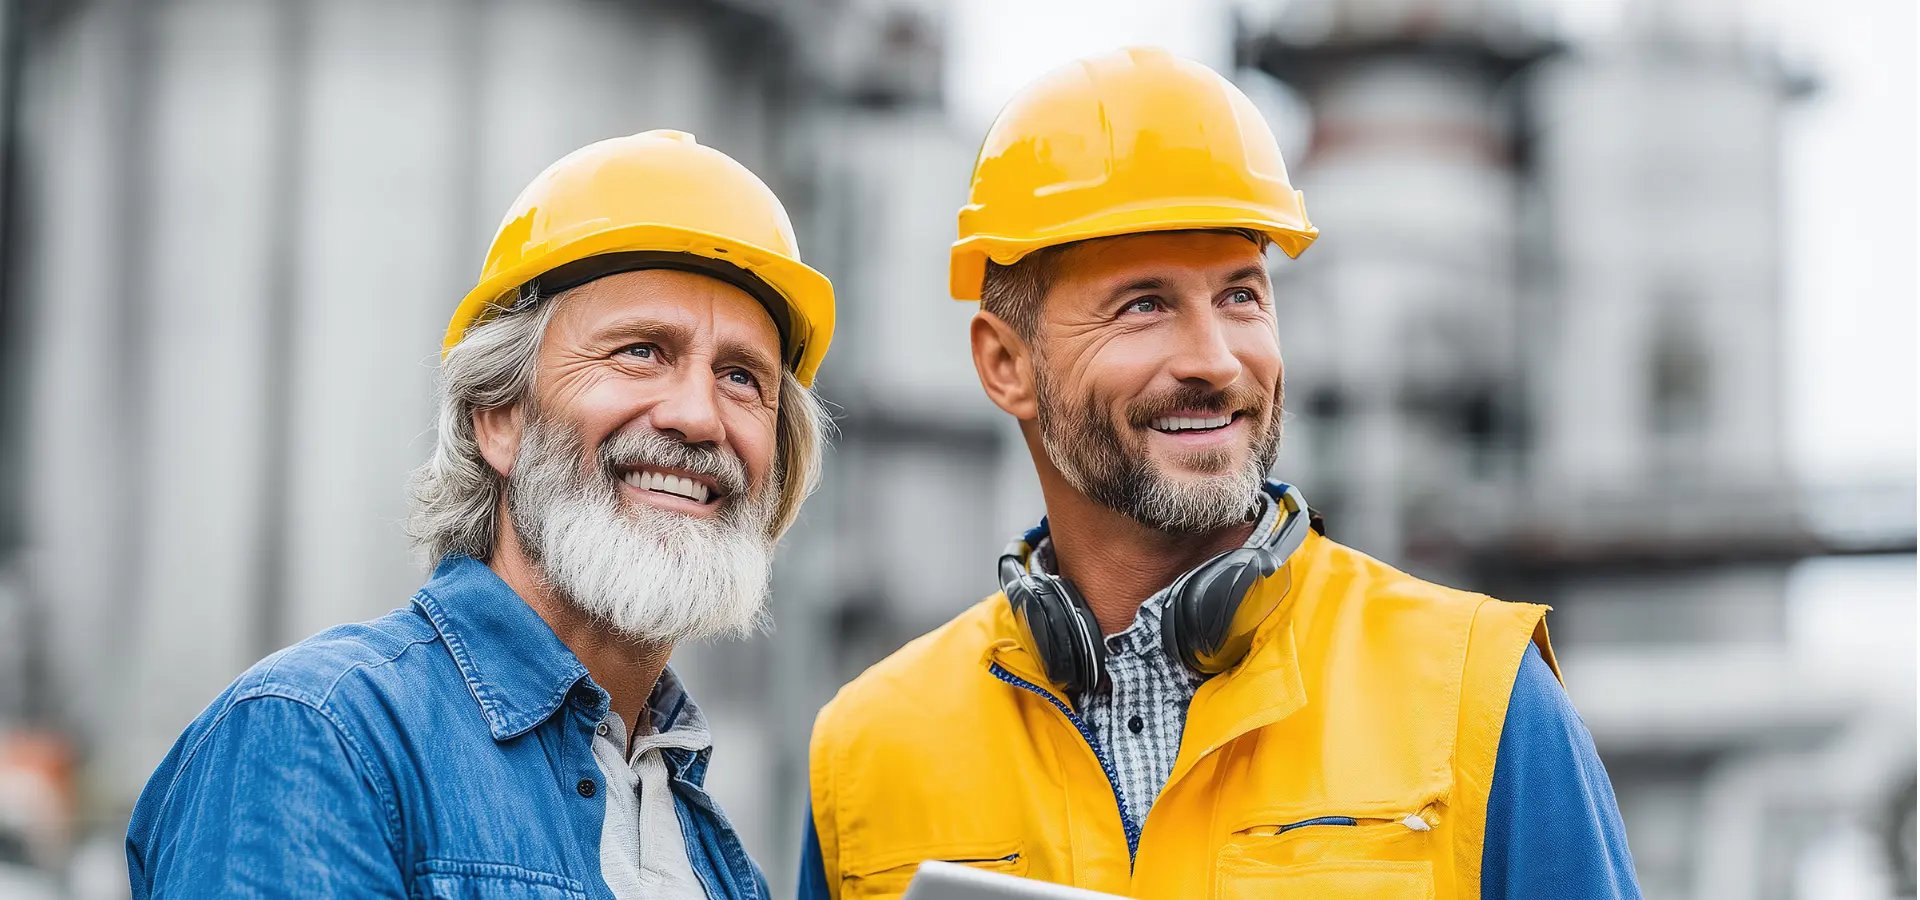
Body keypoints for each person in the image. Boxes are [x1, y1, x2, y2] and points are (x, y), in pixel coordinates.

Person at [800, 49, 1639, 899]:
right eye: (1144, 305)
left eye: (1241, 296)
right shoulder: (870, 756)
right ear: (1006, 364)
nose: (1216, 360)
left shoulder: (1479, 700)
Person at [127, 129, 834, 899]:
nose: (698, 416)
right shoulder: (318, 736)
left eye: (741, 377)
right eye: (640, 351)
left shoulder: (719, 864)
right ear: (498, 418)